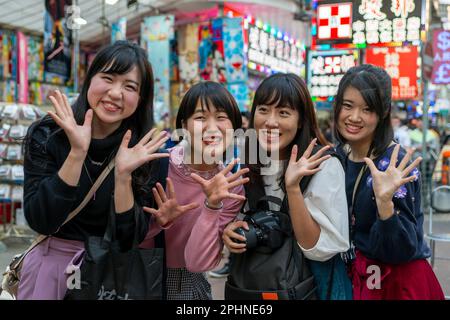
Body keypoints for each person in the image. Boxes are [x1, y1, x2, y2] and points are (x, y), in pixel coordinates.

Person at [18, 41, 174, 300]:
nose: (115, 93)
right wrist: (77, 153)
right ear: (90, 79)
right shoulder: (49, 134)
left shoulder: (146, 152)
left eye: (130, 87)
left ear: (142, 98)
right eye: (108, 78)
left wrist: (123, 177)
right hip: (50, 271)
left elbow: (128, 241)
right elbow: (41, 220)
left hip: (108, 278)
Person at [223, 73, 352, 300]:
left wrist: (293, 189)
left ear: (301, 119)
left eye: (283, 112)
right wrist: (232, 230)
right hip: (254, 287)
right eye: (263, 110)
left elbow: (316, 248)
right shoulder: (251, 160)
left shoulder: (323, 165)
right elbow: (241, 217)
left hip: (310, 287)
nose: (270, 121)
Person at [333, 64, 444, 300]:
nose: (354, 117)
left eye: (367, 109)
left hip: (397, 283)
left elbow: (402, 249)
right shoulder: (339, 155)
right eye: (348, 105)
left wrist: (385, 206)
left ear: (383, 112)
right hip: (360, 276)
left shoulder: (393, 165)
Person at [139, 81, 249, 299]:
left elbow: (199, 262)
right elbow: (127, 237)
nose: (211, 127)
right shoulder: (156, 165)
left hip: (193, 285)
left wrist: (212, 205)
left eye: (221, 117)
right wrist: (157, 224)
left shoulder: (232, 186)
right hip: (143, 279)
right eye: (200, 118)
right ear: (184, 125)